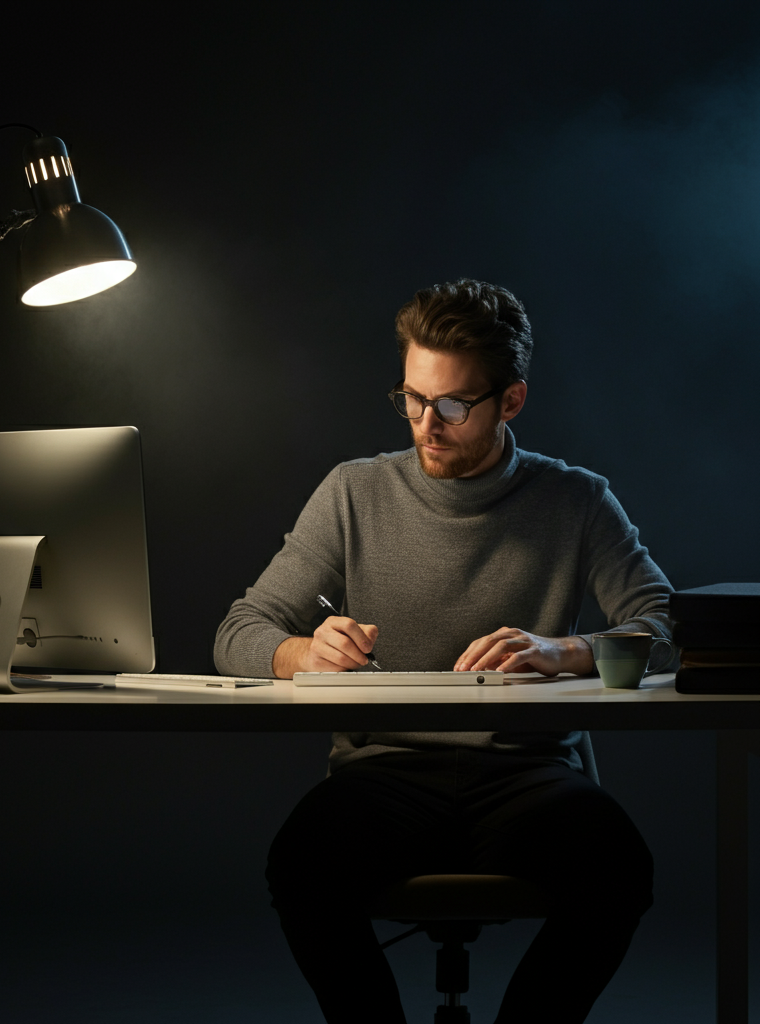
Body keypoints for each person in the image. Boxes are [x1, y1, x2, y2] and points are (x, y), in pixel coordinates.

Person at [213, 279, 673, 1024]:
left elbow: (669, 628)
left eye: (454, 405)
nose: (427, 424)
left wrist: (565, 651)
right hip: (385, 774)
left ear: (511, 401)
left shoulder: (576, 500)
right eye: (412, 398)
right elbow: (239, 631)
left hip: (526, 777)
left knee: (617, 869)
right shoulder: (353, 493)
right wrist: (301, 652)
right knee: (301, 864)